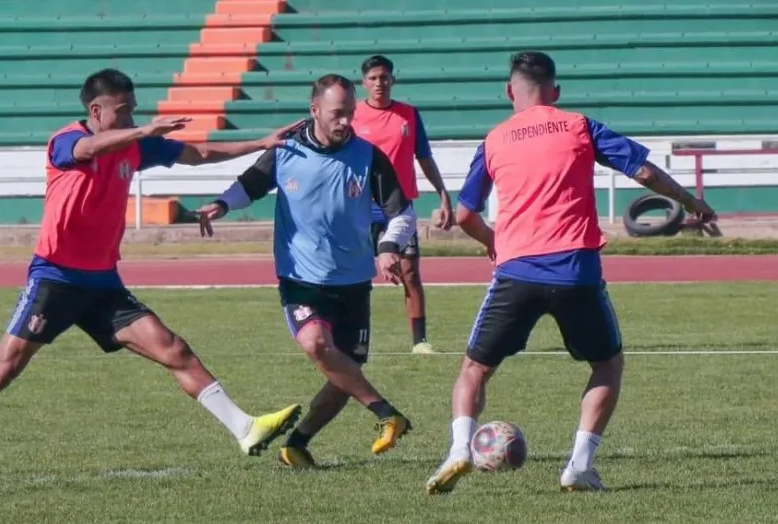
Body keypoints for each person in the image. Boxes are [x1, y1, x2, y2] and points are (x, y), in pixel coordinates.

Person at [0, 68, 306, 480]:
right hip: (55, 279)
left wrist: (260, 143)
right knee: (0, 373)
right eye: (123, 111)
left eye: (133, 111)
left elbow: (196, 154)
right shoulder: (66, 141)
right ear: (96, 110)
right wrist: (145, 130)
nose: (131, 118)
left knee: (173, 349)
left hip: (102, 282)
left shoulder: (135, 147)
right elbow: (90, 148)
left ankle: (244, 428)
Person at [424, 51, 716, 494]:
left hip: (517, 270)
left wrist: (493, 243)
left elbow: (465, 214)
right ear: (555, 92)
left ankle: (460, 449)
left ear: (509, 92)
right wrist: (691, 202)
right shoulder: (579, 125)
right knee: (607, 365)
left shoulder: (495, 139)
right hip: (576, 271)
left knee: (475, 369)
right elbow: (642, 171)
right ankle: (579, 466)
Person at [193, 74, 416, 470]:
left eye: (350, 113)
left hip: (353, 281)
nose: (346, 122)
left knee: (344, 372)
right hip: (300, 278)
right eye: (337, 114)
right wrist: (220, 205)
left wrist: (387, 248)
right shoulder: (286, 151)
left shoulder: (369, 156)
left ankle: (297, 444)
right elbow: (250, 185)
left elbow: (403, 213)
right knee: (316, 345)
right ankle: (387, 412)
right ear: (314, 111)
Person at [352, 54, 454, 355]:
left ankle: (420, 341)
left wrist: (443, 193)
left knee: (410, 272)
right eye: (373, 78)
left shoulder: (408, 115)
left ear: (392, 80)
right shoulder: (353, 116)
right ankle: (356, 339)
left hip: (400, 208)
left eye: (384, 77)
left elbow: (424, 157)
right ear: (364, 83)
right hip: (360, 207)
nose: (379, 83)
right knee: (357, 275)